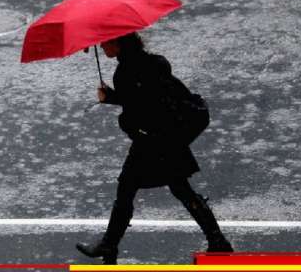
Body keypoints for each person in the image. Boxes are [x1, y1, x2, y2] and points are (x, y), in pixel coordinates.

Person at [75, 32, 233, 264]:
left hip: (153, 140)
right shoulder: (151, 62)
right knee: (180, 188)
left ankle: (109, 245)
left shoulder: (125, 72)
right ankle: (218, 241)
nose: (101, 45)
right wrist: (114, 97)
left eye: (105, 41)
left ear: (117, 43)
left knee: (127, 187)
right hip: (169, 134)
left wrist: (117, 109)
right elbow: (146, 97)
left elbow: (136, 113)